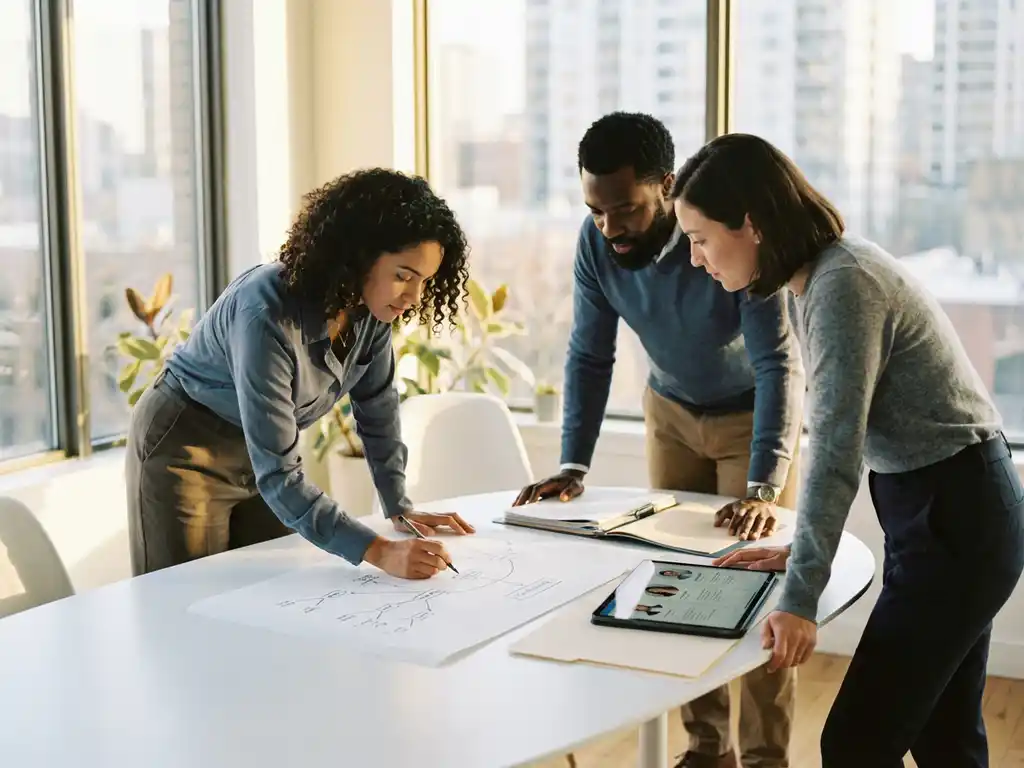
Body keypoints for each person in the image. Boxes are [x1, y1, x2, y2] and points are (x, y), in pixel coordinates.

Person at [672, 133, 1024, 767]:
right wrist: (798, 550)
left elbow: (835, 446)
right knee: (945, 739)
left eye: (699, 238)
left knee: (857, 743)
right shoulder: (813, 278)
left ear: (749, 224)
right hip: (950, 510)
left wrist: (799, 601)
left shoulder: (842, 285)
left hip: (957, 516)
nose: (696, 258)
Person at [513, 112, 806, 768]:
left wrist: (763, 483)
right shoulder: (597, 248)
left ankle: (764, 759)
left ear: (667, 187)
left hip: (750, 421)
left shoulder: (725, 234)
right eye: (595, 211)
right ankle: (707, 750)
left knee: (759, 588)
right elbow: (590, 354)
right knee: (672, 582)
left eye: (627, 209)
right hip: (670, 415)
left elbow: (777, 364)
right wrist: (572, 462)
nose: (611, 228)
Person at [126, 168, 477, 581]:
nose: (414, 297)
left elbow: (378, 412)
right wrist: (381, 552)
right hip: (186, 452)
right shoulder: (264, 312)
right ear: (358, 256)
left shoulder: (372, 314)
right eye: (403, 275)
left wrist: (399, 507)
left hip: (262, 461)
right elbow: (280, 475)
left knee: (271, 591)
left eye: (425, 282)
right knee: (187, 599)